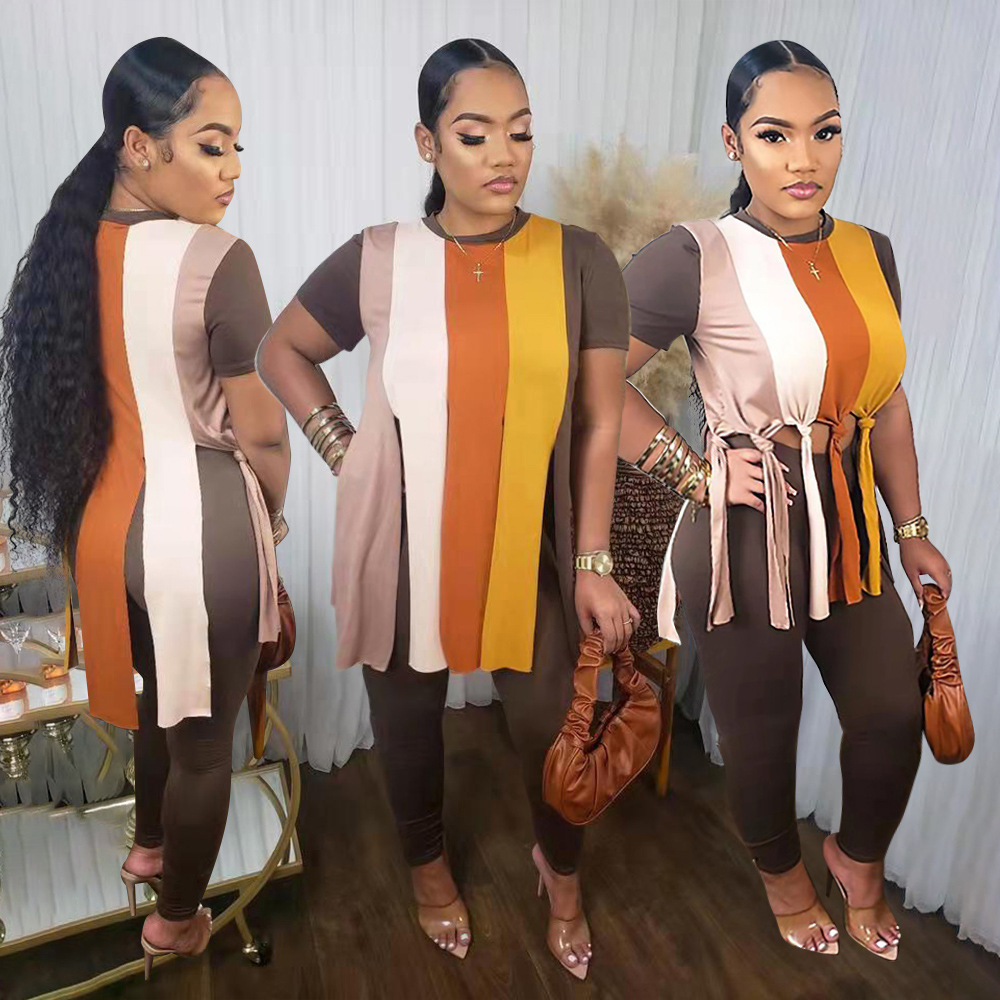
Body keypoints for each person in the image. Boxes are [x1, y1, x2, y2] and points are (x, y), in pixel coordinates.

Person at [257, 38, 636, 980]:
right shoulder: (381, 258)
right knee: (407, 722)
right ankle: (428, 872)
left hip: (529, 538)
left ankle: (562, 871)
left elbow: (599, 421)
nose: (505, 155)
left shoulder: (578, 259)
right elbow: (281, 350)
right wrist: (345, 451)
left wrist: (593, 562)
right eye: (475, 135)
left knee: (552, 721)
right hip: (403, 534)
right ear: (428, 143)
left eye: (521, 133)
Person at [618, 40, 951, 960]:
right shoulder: (693, 255)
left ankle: (855, 859)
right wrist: (695, 472)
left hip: (847, 527)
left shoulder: (872, 252)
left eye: (824, 132)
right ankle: (783, 877)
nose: (804, 158)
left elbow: (887, 402)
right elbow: (586, 376)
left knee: (891, 715)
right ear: (734, 143)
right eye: (774, 135)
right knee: (764, 734)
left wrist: (912, 528)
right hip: (743, 533)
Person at [0, 37, 290, 975]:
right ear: (138, 145)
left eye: (237, 147)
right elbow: (264, 434)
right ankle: (175, 920)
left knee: (165, 703)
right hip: (197, 531)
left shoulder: (69, 246)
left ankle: (151, 846)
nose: (233, 168)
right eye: (212, 145)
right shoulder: (217, 259)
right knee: (205, 744)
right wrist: (269, 520)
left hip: (105, 530)